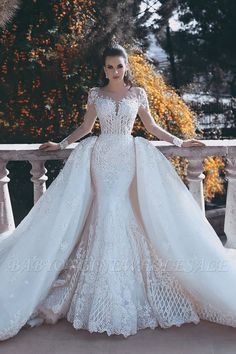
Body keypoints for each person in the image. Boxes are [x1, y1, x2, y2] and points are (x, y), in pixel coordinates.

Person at [1, 43, 236, 341]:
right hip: (102, 157)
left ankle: (123, 286)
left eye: (119, 66)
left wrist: (179, 141)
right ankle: (100, 289)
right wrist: (61, 145)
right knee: (106, 209)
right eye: (109, 67)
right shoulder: (96, 95)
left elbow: (151, 127)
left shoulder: (137, 94)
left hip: (126, 157)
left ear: (127, 67)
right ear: (104, 69)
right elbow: (86, 128)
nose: (115, 71)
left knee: (118, 209)